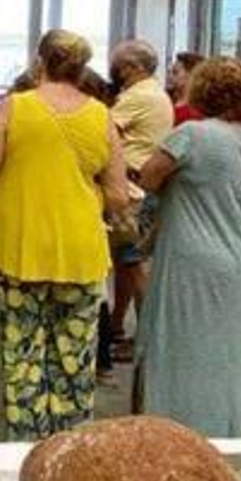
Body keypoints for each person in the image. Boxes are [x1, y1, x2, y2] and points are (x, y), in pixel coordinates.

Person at [0, 29, 131, 441]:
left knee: (23, 354)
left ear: (39, 61)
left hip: (21, 245)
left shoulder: (15, 108)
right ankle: (69, 446)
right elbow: (117, 195)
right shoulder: (101, 115)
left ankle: (25, 445)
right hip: (81, 249)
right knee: (74, 358)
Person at [135, 58, 241, 437]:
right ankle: (226, 430)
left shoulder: (192, 134)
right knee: (226, 353)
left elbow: (148, 176)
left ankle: (175, 429)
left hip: (192, 255)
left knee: (180, 347)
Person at [105, 40, 175, 366]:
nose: (115, 71)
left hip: (132, 189)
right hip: (143, 188)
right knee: (126, 263)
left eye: (118, 65)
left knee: (134, 265)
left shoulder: (137, 97)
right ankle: (118, 326)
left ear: (132, 68)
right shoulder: (155, 93)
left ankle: (145, 339)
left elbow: (100, 129)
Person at [168, 51, 205, 125]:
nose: (170, 77)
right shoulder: (166, 96)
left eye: (175, 72)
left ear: (191, 75)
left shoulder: (199, 109)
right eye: (169, 72)